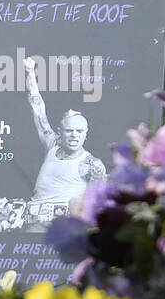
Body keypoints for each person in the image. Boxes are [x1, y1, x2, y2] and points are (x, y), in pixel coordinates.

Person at [23, 56, 106, 231]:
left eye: (79, 131)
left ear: (85, 134)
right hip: (34, 222)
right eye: (69, 131)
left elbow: (100, 202)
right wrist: (30, 72)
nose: (74, 135)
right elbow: (37, 107)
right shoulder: (52, 144)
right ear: (60, 132)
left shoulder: (92, 164)